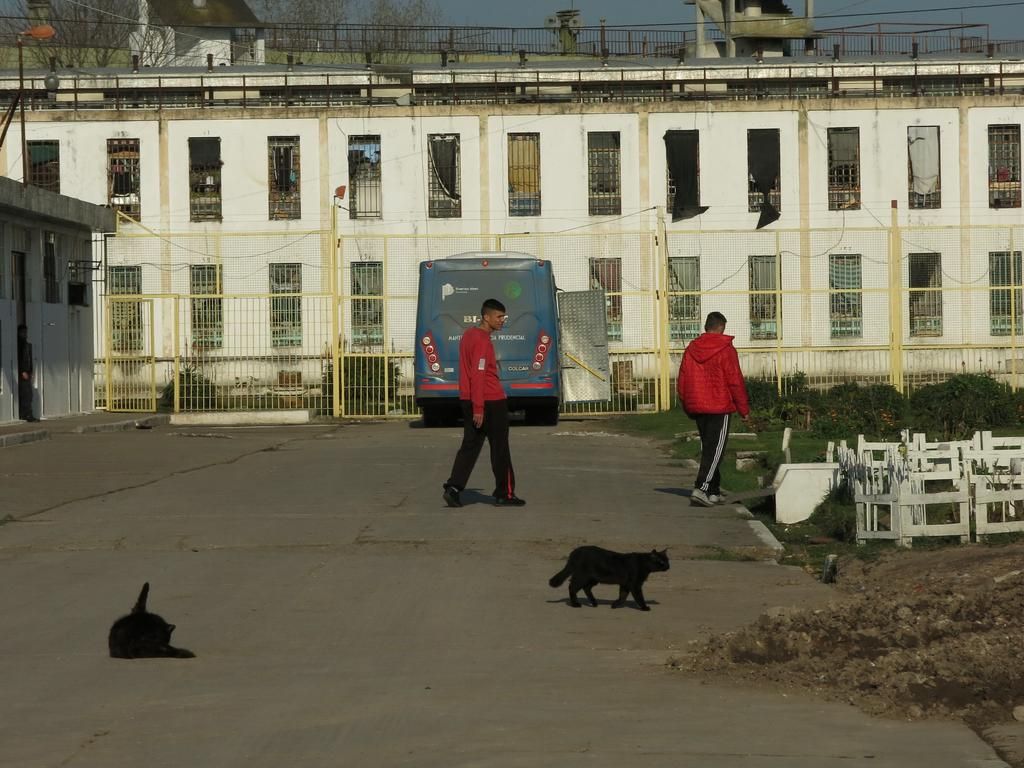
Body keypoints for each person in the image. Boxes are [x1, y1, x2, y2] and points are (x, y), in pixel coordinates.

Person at [442, 298, 526, 508]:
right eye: (498, 316)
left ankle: (454, 488)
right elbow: (478, 374)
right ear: (485, 317)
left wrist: (473, 404)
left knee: (470, 445)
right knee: (500, 448)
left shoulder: (468, 335)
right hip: (490, 402)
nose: (502, 320)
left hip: (469, 399)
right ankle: (504, 493)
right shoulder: (482, 340)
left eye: (503, 317)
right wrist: (479, 408)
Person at [677, 311, 750, 507]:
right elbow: (735, 381)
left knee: (710, 448)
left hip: (698, 404)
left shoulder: (691, 349)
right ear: (721, 328)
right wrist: (744, 410)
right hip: (719, 405)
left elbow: (682, 379)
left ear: (706, 327)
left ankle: (713, 491)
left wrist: (687, 404)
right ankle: (701, 488)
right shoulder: (726, 349)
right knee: (716, 450)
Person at [17, 324, 36, 422]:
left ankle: (28, 413)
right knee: (25, 394)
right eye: (23, 332)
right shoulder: (19, 344)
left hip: (27, 372)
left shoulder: (26, 344)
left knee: (29, 394)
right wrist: (22, 371)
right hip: (23, 373)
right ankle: (26, 414)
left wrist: (31, 370)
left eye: (25, 332)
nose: (25, 334)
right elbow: (20, 359)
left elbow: (29, 359)